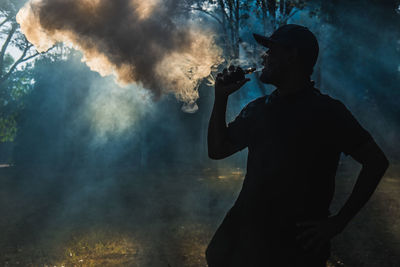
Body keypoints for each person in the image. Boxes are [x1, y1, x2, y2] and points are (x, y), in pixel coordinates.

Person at [206, 24, 389, 267]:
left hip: (294, 249)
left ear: (292, 55)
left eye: (271, 51)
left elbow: (376, 162)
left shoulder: (327, 112)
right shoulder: (259, 110)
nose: (264, 56)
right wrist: (220, 98)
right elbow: (217, 150)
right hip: (246, 242)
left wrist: (339, 222)